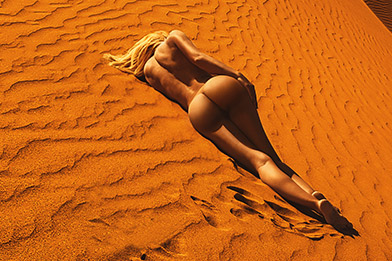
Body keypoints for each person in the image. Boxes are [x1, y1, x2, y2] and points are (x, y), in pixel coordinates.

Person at [104, 30, 356, 235]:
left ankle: (315, 205)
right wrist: (237, 75)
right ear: (156, 38)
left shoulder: (148, 72)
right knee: (271, 156)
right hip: (219, 85)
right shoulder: (172, 38)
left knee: (259, 162)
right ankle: (313, 195)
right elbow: (198, 58)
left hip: (198, 109)